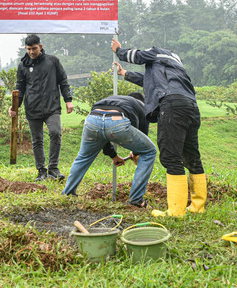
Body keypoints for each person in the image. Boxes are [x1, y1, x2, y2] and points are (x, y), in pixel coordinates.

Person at [112, 38, 207, 217]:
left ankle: (176, 211)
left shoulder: (157, 51)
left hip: (172, 106)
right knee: (192, 155)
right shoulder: (176, 64)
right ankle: (197, 206)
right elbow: (150, 82)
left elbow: (138, 55)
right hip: (191, 107)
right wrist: (125, 73)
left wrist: (119, 51)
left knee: (171, 157)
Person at [62, 93, 157, 207]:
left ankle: (67, 193)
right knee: (150, 151)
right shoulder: (141, 106)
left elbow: (102, 135)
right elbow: (142, 135)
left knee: (84, 157)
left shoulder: (117, 100)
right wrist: (136, 153)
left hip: (93, 119)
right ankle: (136, 200)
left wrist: (114, 156)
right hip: (117, 120)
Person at [9, 34, 74, 181]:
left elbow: (63, 81)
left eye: (34, 48)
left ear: (41, 47)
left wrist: (68, 100)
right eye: (28, 49)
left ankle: (53, 168)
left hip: (52, 106)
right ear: (26, 49)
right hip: (33, 108)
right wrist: (14, 106)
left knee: (55, 133)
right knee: (37, 140)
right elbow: (20, 87)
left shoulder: (52, 61)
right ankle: (41, 171)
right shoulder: (23, 66)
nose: (31, 52)